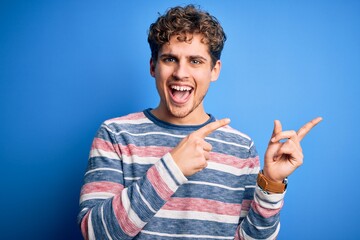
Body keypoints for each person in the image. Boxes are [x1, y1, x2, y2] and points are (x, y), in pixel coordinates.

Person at [77, 4, 322, 240]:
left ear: (214, 70)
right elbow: (95, 234)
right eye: (170, 59)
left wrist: (272, 184)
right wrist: (172, 168)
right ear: (153, 66)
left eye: (195, 61)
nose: (181, 73)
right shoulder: (115, 134)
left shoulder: (241, 147)